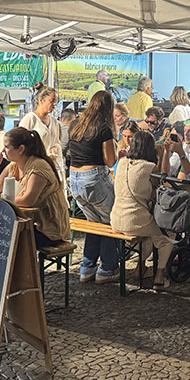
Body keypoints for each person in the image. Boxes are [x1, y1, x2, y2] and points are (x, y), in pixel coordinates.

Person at [67, 90, 121, 284]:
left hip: (74, 179)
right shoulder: (103, 129)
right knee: (109, 221)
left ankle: (87, 267)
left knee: (93, 222)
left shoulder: (75, 125)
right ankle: (107, 268)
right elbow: (109, 161)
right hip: (94, 178)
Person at [0, 128, 71, 246]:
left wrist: (0, 200)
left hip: (47, 230)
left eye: (7, 147)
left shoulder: (38, 166)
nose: (3, 150)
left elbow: (27, 201)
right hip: (26, 224)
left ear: (21, 149)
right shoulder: (13, 166)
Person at [111, 131, 174, 287]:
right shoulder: (149, 167)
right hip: (135, 220)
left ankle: (140, 267)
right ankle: (159, 275)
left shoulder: (122, 162)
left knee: (147, 236)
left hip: (116, 218)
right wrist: (164, 153)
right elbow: (162, 177)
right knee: (167, 237)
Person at [20, 84, 64, 169]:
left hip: (53, 167)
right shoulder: (30, 119)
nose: (55, 104)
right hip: (35, 167)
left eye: (56, 101)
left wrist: (56, 149)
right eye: (52, 101)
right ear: (41, 100)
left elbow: (57, 142)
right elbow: (21, 145)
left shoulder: (54, 122)